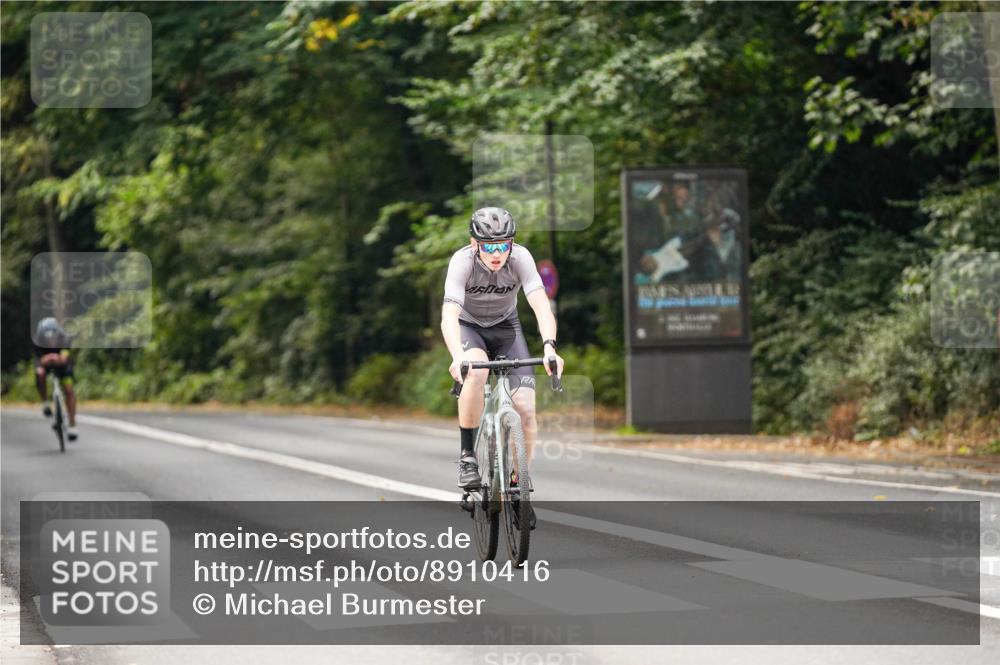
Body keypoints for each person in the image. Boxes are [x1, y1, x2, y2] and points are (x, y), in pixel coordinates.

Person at [441, 207, 564, 528]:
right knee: (477, 371)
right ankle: (468, 456)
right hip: (470, 329)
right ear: (474, 243)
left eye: (503, 245)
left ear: (512, 244)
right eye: (489, 246)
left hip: (507, 329)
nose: (497, 253)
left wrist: (550, 346)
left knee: (525, 408)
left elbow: (540, 304)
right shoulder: (462, 261)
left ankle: (518, 485)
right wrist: (457, 356)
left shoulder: (520, 258)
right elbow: (449, 315)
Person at [34, 317, 78, 440]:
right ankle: (45, 403)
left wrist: (58, 358)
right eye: (46, 337)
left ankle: (72, 424)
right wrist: (44, 361)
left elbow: (64, 357)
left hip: (63, 366)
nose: (50, 340)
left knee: (69, 390)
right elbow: (38, 360)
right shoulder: (37, 341)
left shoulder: (64, 338)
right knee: (40, 373)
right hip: (46, 365)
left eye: (53, 337)